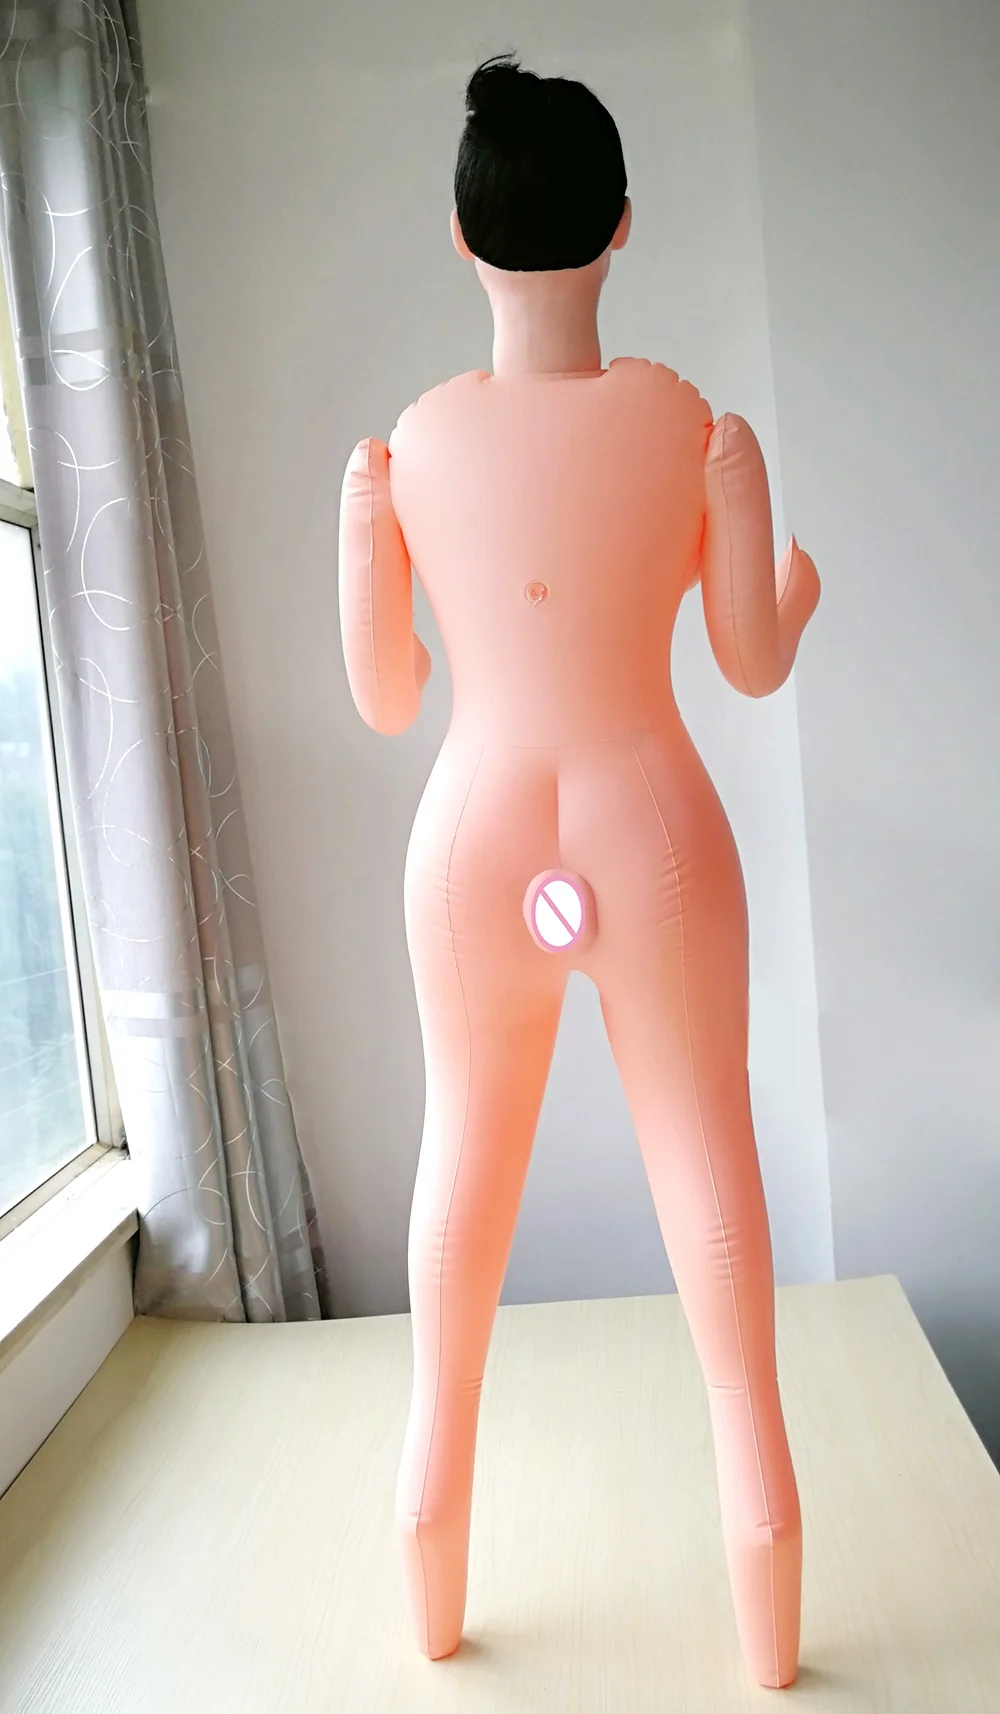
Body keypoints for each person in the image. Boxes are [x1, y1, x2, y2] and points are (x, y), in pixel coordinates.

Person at [339, 53, 819, 1690]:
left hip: (471, 845)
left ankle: (430, 1569)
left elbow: (388, 694)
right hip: (652, 825)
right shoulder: (692, 426)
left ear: (460, 238)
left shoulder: (408, 447)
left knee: (462, 1177)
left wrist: (365, 529)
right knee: (709, 1170)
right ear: (622, 227)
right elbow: (750, 659)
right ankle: (769, 1592)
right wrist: (795, 579)